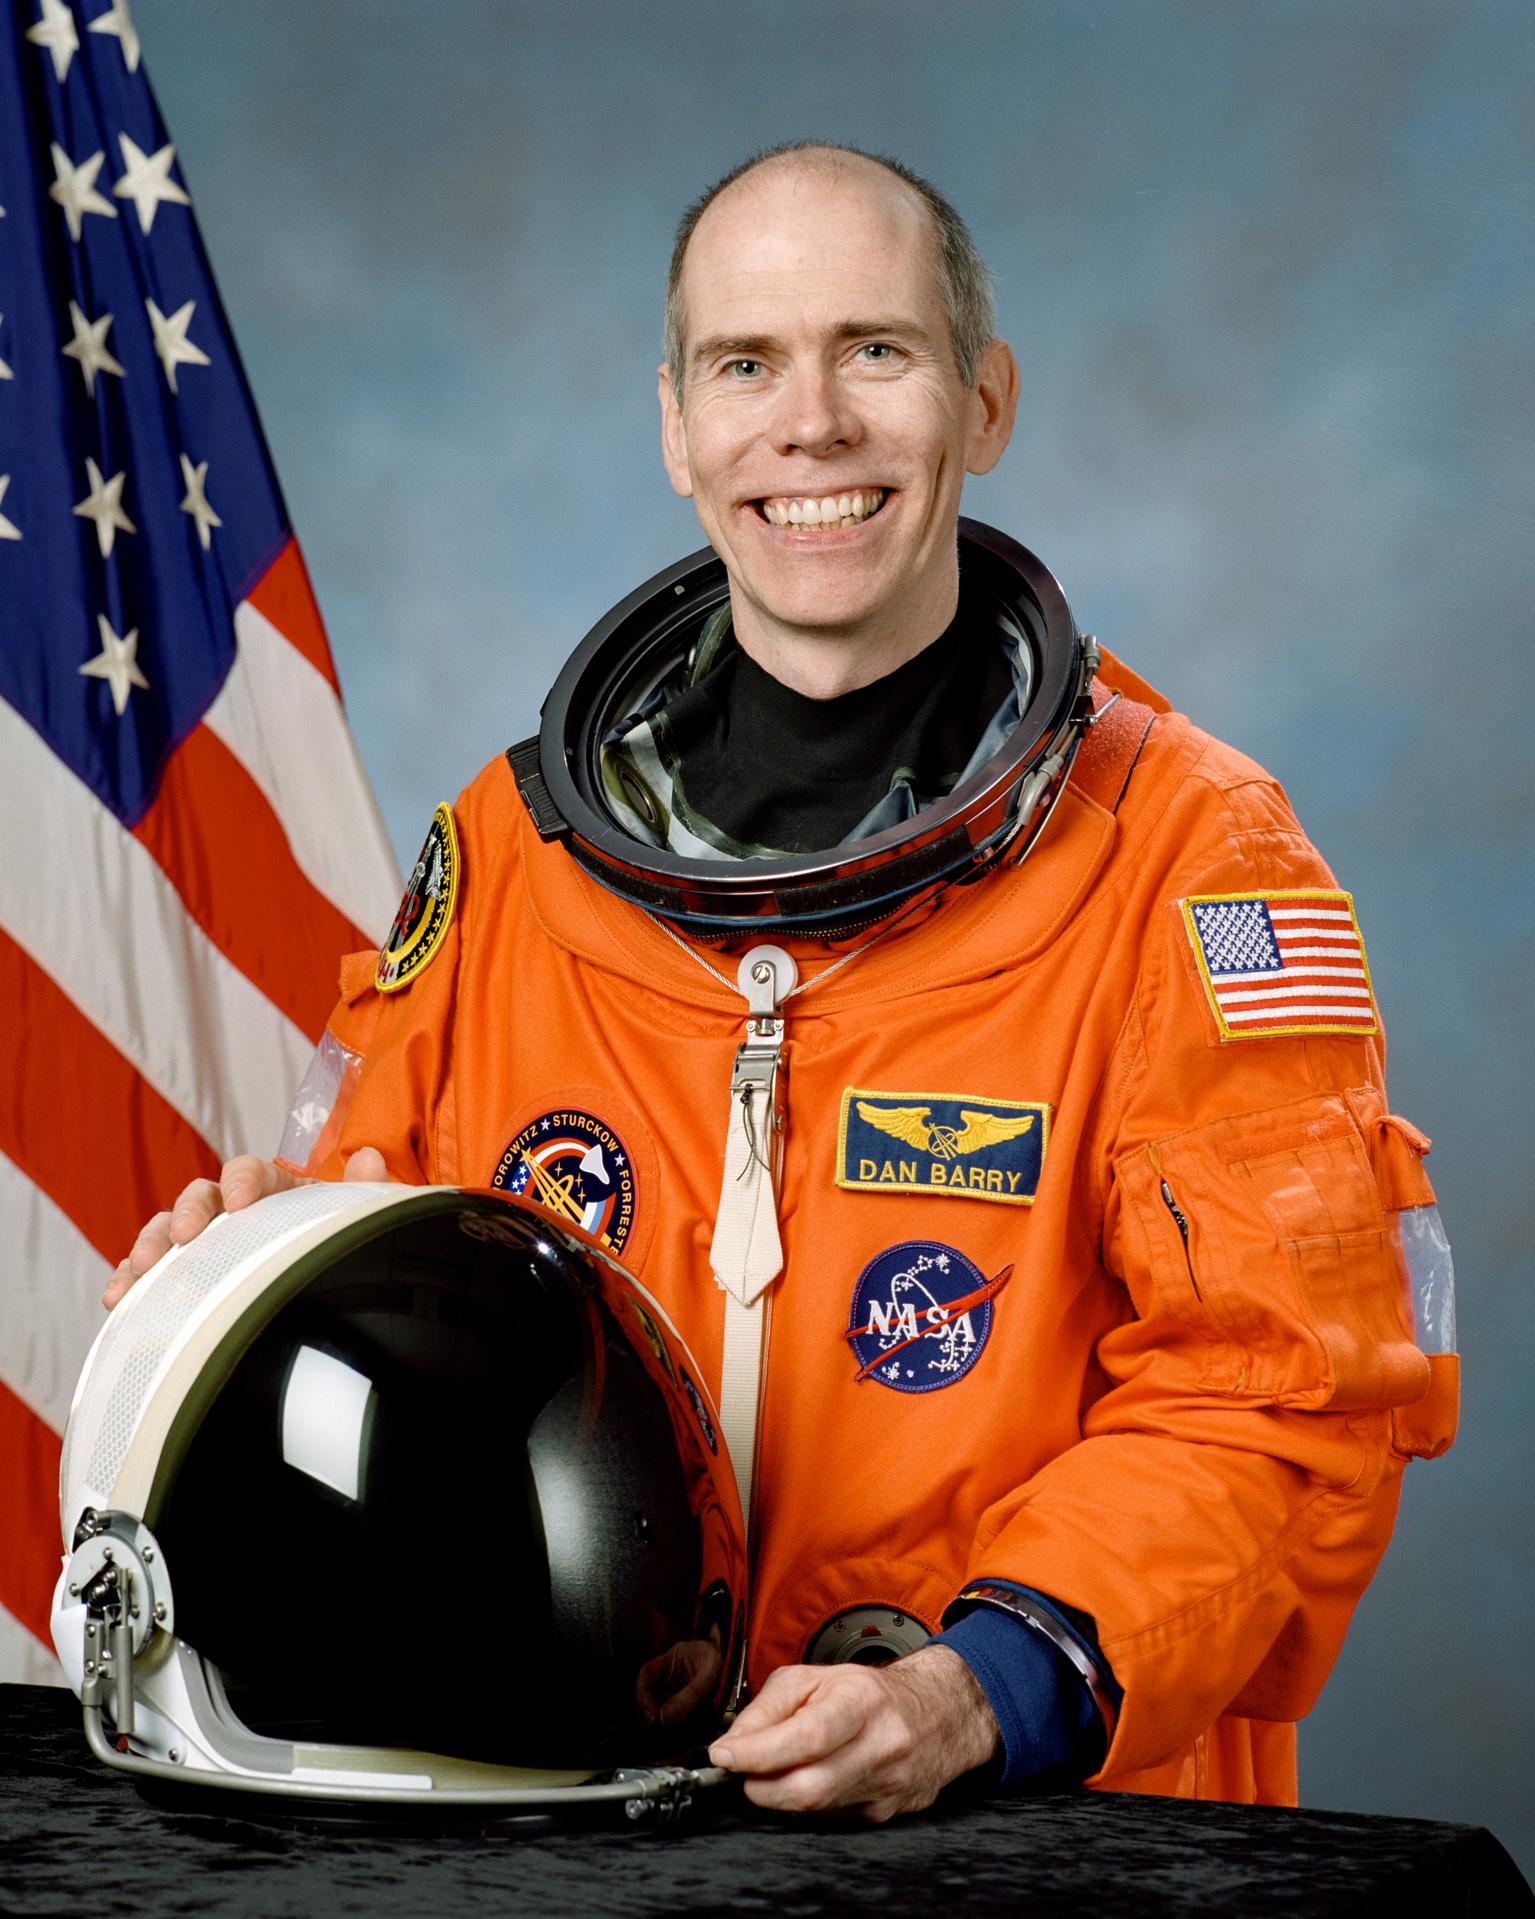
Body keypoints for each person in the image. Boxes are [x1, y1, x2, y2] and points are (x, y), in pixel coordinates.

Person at [107, 143, 1457, 1822]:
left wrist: (980, 1691)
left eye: (873, 350)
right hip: (573, 1820)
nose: (809, 425)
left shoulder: (1192, 861)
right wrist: (256, 1274)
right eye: (746, 365)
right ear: (678, 427)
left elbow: (1288, 1402)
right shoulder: (510, 859)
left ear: (984, 400)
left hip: (1038, 1843)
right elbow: (400, 1306)